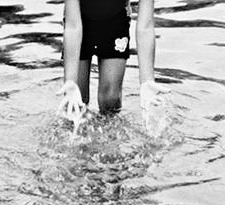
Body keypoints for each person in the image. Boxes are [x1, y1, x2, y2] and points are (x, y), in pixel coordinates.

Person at [57, 0, 167, 129]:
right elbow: (73, 26)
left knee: (110, 100)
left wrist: (147, 81)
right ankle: (75, 136)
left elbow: (146, 26)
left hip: (115, 22)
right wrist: (70, 80)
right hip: (78, 20)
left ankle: (110, 138)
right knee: (76, 101)